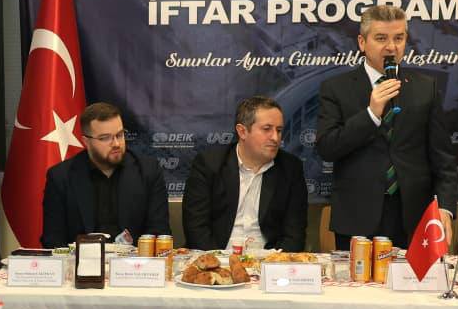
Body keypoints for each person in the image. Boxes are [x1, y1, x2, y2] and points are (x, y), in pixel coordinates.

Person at [315, 5, 458, 248]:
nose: (391, 47)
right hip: (357, 217)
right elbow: (327, 147)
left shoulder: (425, 87)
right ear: (362, 42)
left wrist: (445, 207)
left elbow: (443, 159)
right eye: (381, 38)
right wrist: (371, 114)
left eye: (399, 38)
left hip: (413, 218)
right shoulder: (336, 88)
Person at [181, 96, 308, 251]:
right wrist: (219, 261)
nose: (275, 137)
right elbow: (196, 229)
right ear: (242, 131)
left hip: (269, 260)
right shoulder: (209, 164)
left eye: (279, 130)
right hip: (217, 257)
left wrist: (273, 261)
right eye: (267, 129)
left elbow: (294, 235)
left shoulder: (290, 168)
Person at [40, 102, 170, 248]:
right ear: (86, 142)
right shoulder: (61, 177)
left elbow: (159, 233)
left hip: (133, 260)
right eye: (105, 138)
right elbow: (53, 240)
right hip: (80, 260)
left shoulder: (148, 171)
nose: (116, 144)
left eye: (119, 135)